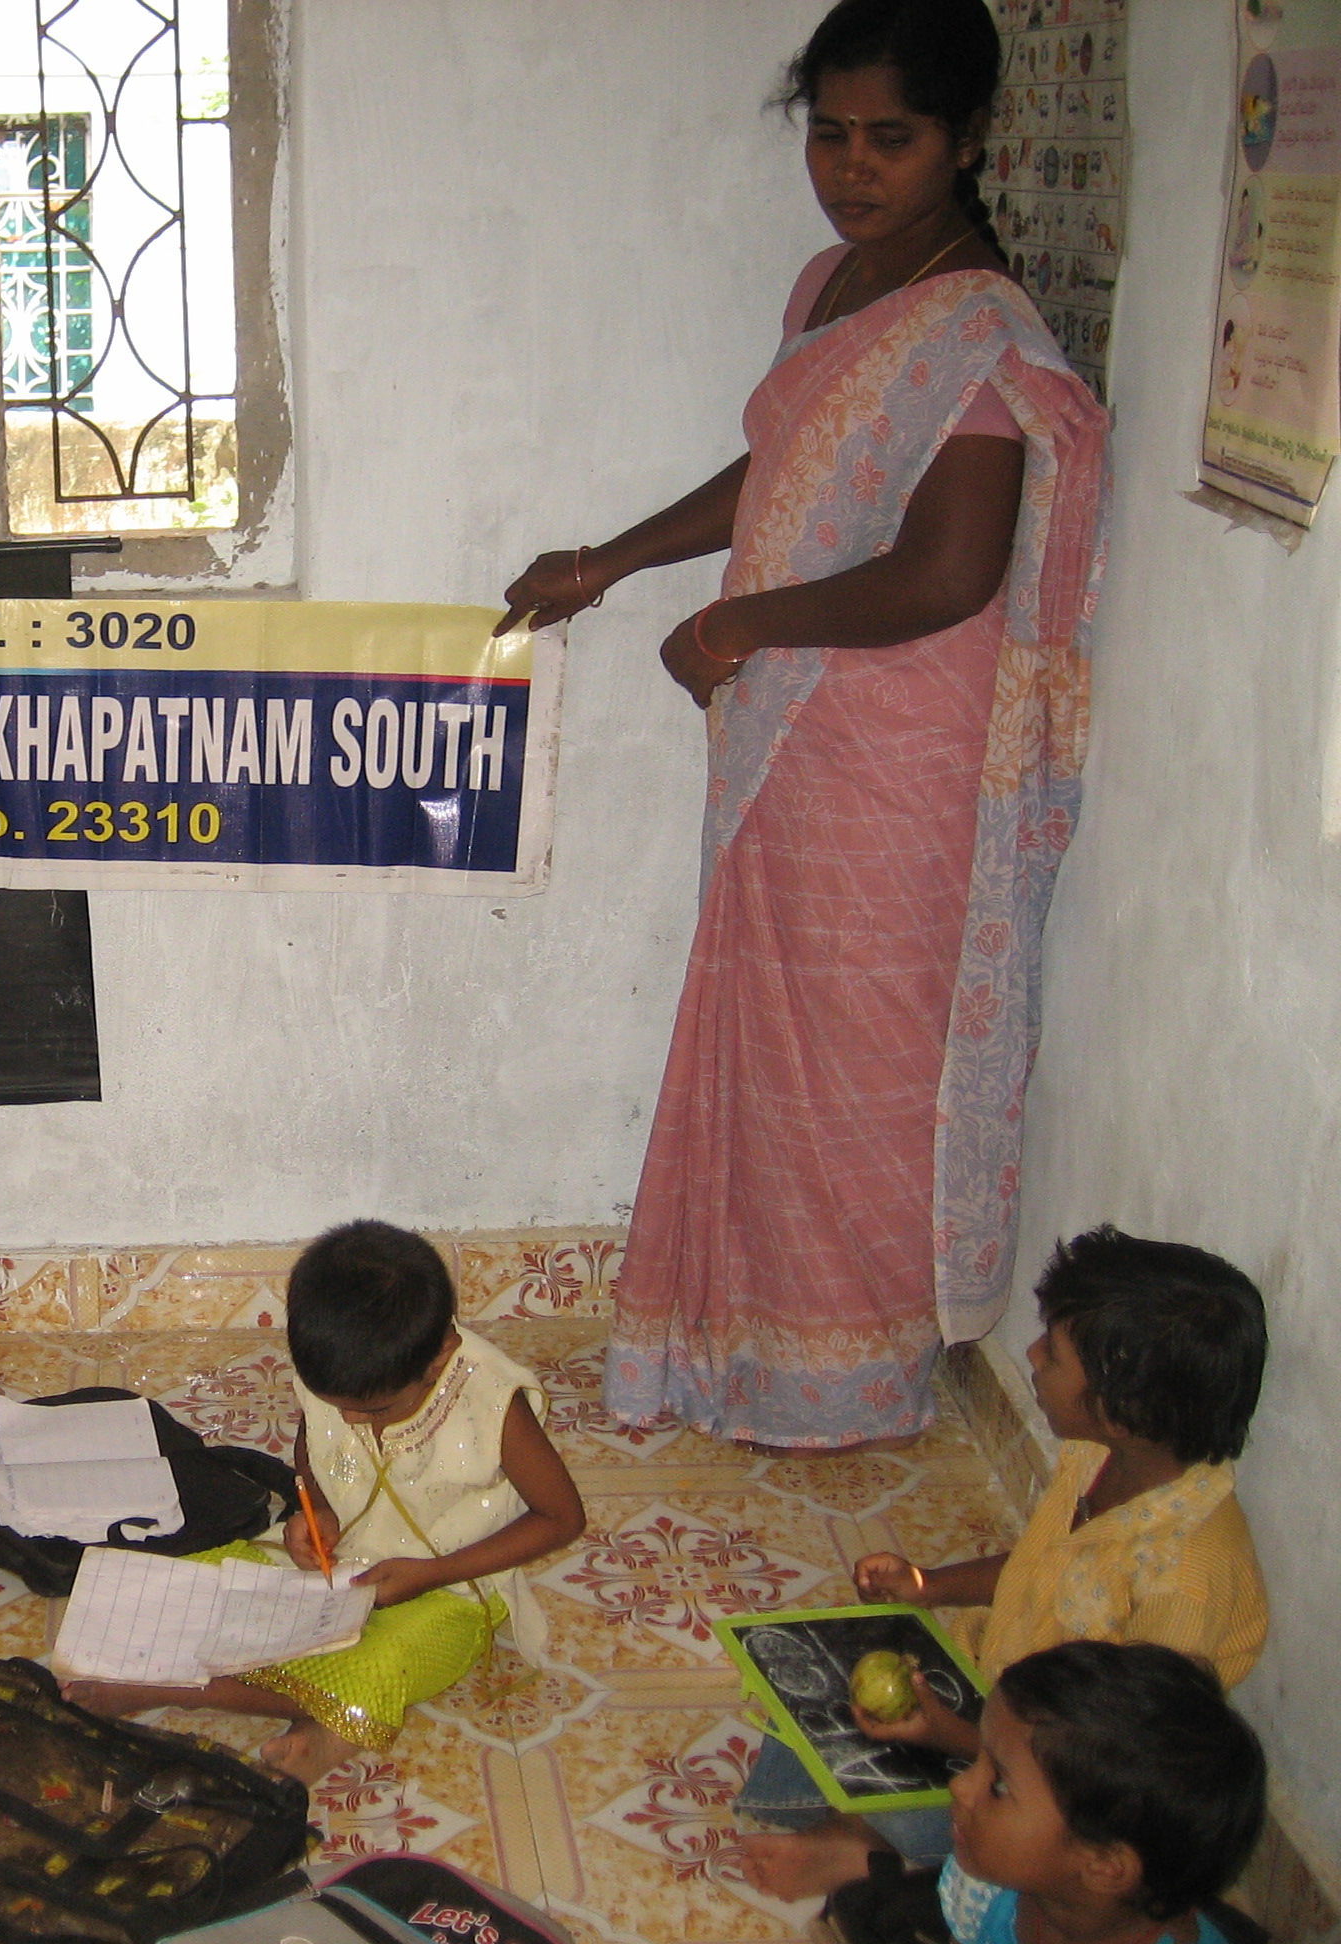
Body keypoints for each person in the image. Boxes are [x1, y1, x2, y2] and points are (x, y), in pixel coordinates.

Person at [500, 0, 1108, 1450]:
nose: (853, 168)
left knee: (858, 1063)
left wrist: (738, 628)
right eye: (830, 135)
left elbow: (948, 572)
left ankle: (853, 1373)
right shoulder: (834, 284)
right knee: (774, 1046)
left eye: (891, 138)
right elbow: (779, 470)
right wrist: (608, 563)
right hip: (794, 729)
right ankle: (749, 1350)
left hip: (896, 745)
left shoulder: (978, 329)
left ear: (968, 139)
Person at [737, 1228, 1269, 1898]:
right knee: (812, 1669)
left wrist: (956, 1738)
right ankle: (876, 1830)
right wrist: (928, 1586)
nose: (1033, 1355)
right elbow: (1043, 1565)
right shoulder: (1097, 1455)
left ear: (1119, 1412)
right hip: (990, 1685)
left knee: (1000, 1828)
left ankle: (877, 1855)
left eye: (1054, 1353)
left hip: (1055, 1771)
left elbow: (1114, 1776)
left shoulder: (1187, 1580)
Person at [65, 1221, 586, 1783]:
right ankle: (322, 1727)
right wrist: (313, 1508)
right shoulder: (339, 1370)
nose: (351, 1420)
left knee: (382, 1665)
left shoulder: (493, 1404)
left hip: (454, 1586)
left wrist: (433, 1575)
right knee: (197, 1581)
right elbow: (311, 1442)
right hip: (340, 1566)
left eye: (374, 1410)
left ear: (439, 1355)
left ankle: (177, 1689)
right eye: (336, 1405)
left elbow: (561, 1519)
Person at [937, 1641, 1265, 1944]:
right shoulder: (989, 1884)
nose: (959, 1785)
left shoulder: (1000, 1866)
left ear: (1104, 1866)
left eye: (999, 1785)